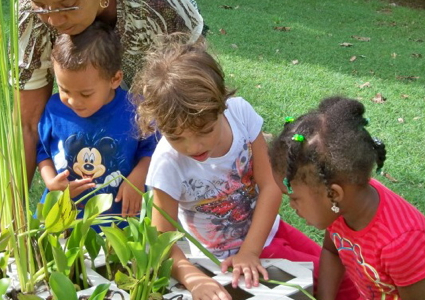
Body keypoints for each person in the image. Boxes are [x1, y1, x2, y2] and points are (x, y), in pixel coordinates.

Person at [0, 0, 203, 240]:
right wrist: (9, 217)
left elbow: (193, 96)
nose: (53, 20)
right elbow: (27, 122)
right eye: (43, 6)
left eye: (67, 4)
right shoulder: (29, 13)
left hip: (160, 109)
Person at [133, 39, 358, 300]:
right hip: (226, 260)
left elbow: (270, 184)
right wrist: (193, 278)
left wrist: (251, 249)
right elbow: (163, 240)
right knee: (325, 283)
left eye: (205, 131)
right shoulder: (167, 163)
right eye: (176, 137)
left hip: (268, 231)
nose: (193, 146)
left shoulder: (240, 113)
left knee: (344, 276)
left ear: (221, 104)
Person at [269, 96, 425, 300]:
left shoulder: (399, 243)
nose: (292, 206)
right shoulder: (346, 203)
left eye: (294, 198)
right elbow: (332, 253)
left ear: (334, 194)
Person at [36, 21, 157, 220]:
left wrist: (138, 177)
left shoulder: (136, 109)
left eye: (86, 93)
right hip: (65, 216)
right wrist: (51, 182)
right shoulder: (54, 109)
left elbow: (153, 150)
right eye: (64, 90)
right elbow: (42, 150)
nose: (73, 101)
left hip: (120, 216)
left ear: (115, 79)